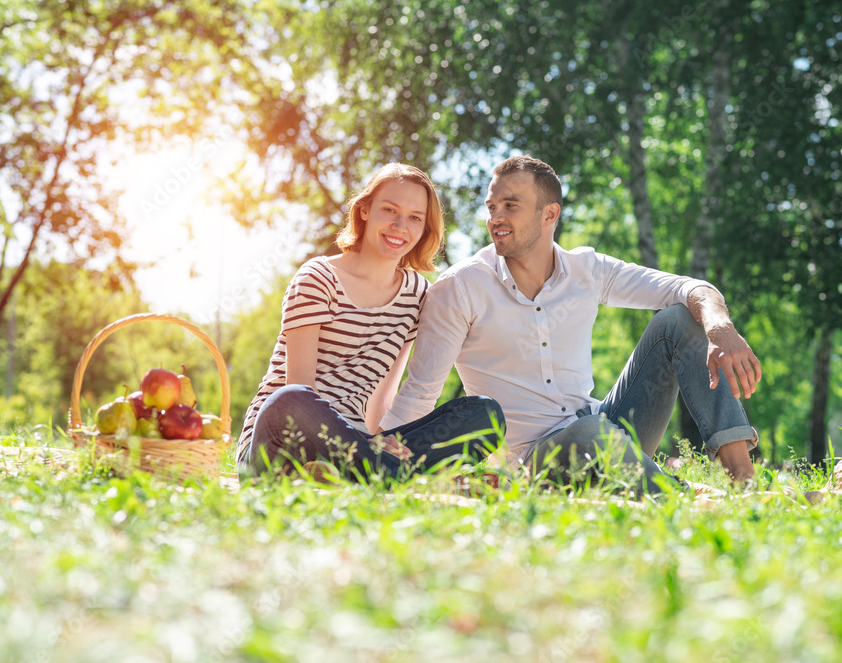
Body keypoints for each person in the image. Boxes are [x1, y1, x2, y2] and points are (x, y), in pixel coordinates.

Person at [379, 155, 761, 491]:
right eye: (491, 206)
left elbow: (688, 287)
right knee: (589, 433)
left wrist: (719, 328)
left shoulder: (586, 269)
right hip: (537, 461)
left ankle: (744, 485)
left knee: (679, 317)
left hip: (607, 429)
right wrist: (374, 453)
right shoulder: (460, 287)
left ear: (550, 214)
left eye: (510, 206)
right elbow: (420, 394)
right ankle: (681, 495)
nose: (495, 218)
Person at [236, 163, 503, 480]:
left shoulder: (416, 293)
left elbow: (382, 397)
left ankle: (370, 476)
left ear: (424, 228)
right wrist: (366, 442)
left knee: (484, 414)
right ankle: (395, 478)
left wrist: (380, 440)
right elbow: (301, 385)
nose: (400, 226)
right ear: (364, 210)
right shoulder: (318, 277)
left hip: (357, 447)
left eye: (415, 218)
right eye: (390, 210)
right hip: (282, 440)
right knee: (289, 400)